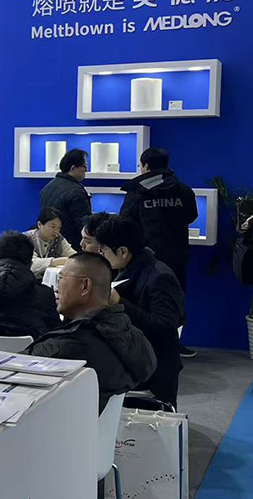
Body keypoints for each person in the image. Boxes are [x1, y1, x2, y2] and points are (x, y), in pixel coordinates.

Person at [28, 253, 157, 412]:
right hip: (99, 426)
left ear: (84, 286)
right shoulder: (132, 336)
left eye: (60, 278)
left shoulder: (69, 347)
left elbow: (18, 371)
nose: (56, 287)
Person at [94, 215, 184, 408]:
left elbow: (166, 328)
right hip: (131, 356)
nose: (101, 255)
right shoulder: (127, 268)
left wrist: (120, 303)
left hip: (153, 365)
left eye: (103, 250)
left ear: (123, 251)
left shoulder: (159, 277)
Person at [121, 147, 198, 358]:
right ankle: (174, 344)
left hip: (146, 260)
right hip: (177, 256)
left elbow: (126, 222)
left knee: (143, 303)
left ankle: (146, 346)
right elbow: (191, 216)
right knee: (175, 301)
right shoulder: (183, 190)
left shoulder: (137, 191)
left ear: (145, 166)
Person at [40, 148, 92, 250]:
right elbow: (83, 223)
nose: (86, 171)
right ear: (73, 168)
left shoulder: (47, 187)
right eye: (84, 167)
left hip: (49, 242)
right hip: (70, 245)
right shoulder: (76, 192)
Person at [25, 208, 75, 277]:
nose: (56, 231)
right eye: (53, 227)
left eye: (59, 228)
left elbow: (73, 255)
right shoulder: (26, 239)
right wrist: (57, 261)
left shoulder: (58, 238)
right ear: (39, 224)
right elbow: (32, 264)